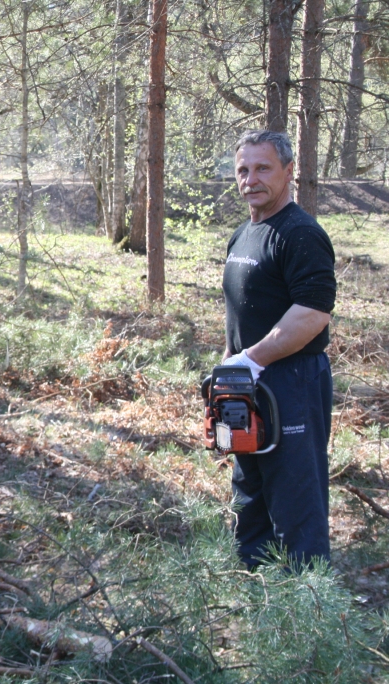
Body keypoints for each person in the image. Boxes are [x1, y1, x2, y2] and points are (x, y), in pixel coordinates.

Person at [221, 130, 337, 569]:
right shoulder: (242, 235)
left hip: (291, 382)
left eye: (263, 168)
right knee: (249, 495)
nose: (251, 179)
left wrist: (252, 359)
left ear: (289, 171)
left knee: (296, 500)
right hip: (245, 384)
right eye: (243, 170)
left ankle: (304, 616)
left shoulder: (300, 233)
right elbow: (242, 313)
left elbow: (312, 313)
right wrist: (232, 370)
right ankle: (257, 601)